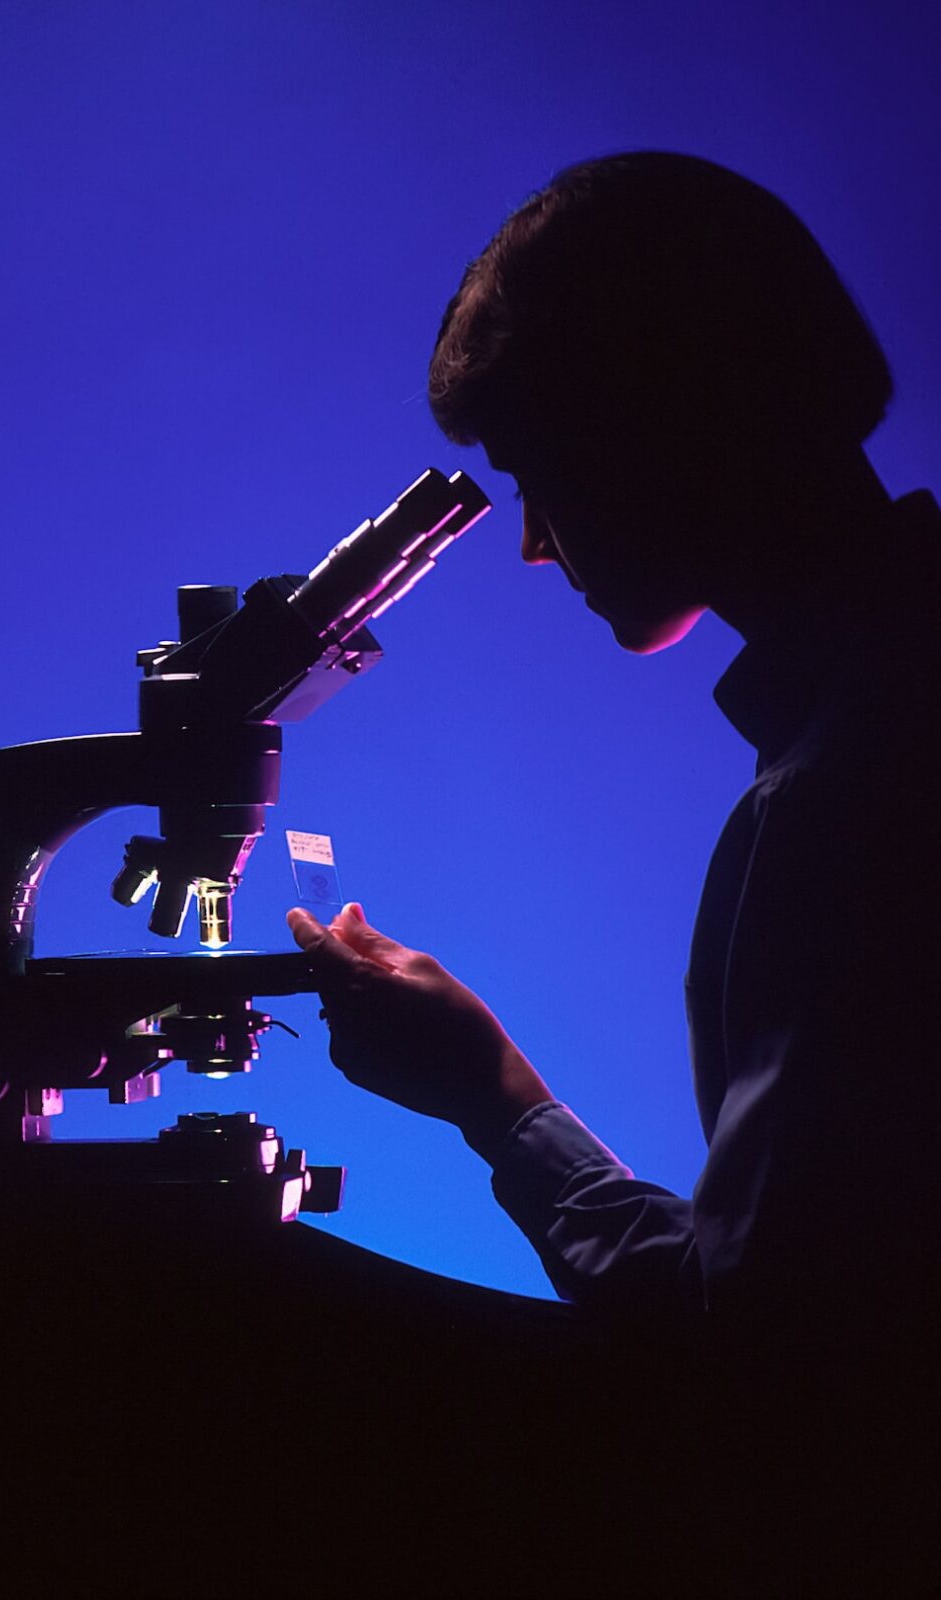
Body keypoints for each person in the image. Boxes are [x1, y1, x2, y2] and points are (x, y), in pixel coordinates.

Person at [288, 152, 940, 1593]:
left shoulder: (849, 799)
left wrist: (492, 1098)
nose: (532, 544)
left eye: (538, 473)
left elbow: (763, 1367)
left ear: (660, 419)